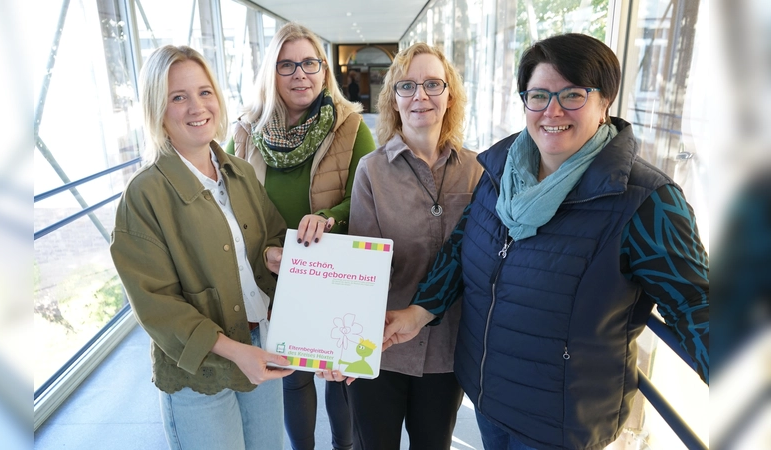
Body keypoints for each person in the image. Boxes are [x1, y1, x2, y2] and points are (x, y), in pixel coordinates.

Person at [384, 33, 710, 450]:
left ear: (604, 100)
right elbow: (463, 245)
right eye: (538, 95)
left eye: (572, 94)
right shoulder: (500, 170)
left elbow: (696, 303)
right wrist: (419, 311)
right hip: (487, 395)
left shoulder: (645, 200)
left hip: (559, 423)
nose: (552, 111)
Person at [109, 45, 322, 450]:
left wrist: (272, 255)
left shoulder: (239, 172)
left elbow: (270, 236)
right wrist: (234, 352)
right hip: (199, 374)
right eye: (178, 97)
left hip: (259, 345)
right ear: (157, 110)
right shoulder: (144, 195)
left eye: (204, 92)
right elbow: (157, 306)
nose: (196, 107)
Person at [227, 22, 376, 450]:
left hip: (331, 271)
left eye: (309, 63)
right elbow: (225, 200)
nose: (300, 74)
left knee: (336, 377)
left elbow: (366, 200)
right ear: (270, 74)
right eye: (286, 64)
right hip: (271, 271)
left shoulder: (350, 128)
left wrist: (328, 217)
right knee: (292, 376)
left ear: (324, 70)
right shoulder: (243, 132)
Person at [347, 43, 482, 449]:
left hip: (447, 348)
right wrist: (345, 347)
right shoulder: (371, 170)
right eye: (407, 86)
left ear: (450, 95)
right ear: (394, 98)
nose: (420, 95)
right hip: (379, 346)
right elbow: (359, 273)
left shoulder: (478, 170)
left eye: (432, 84)